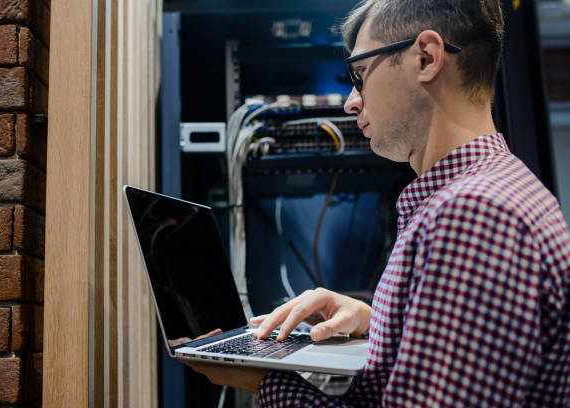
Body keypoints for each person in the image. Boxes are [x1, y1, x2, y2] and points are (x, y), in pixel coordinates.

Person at [182, 0, 570, 406]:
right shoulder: (489, 193)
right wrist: (378, 324)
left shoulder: (474, 213)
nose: (351, 102)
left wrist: (266, 380)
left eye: (359, 74)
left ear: (426, 58)